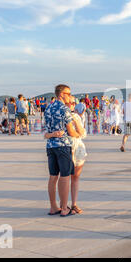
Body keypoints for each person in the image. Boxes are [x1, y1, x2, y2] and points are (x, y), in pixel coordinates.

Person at [44, 84, 84, 217]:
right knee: (65, 177)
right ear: (61, 94)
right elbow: (71, 131)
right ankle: (64, 208)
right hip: (63, 145)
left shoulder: (48, 108)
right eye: (68, 93)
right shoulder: (64, 109)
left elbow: (48, 129)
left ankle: (53, 207)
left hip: (50, 146)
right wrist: (79, 135)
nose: (70, 96)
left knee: (53, 177)